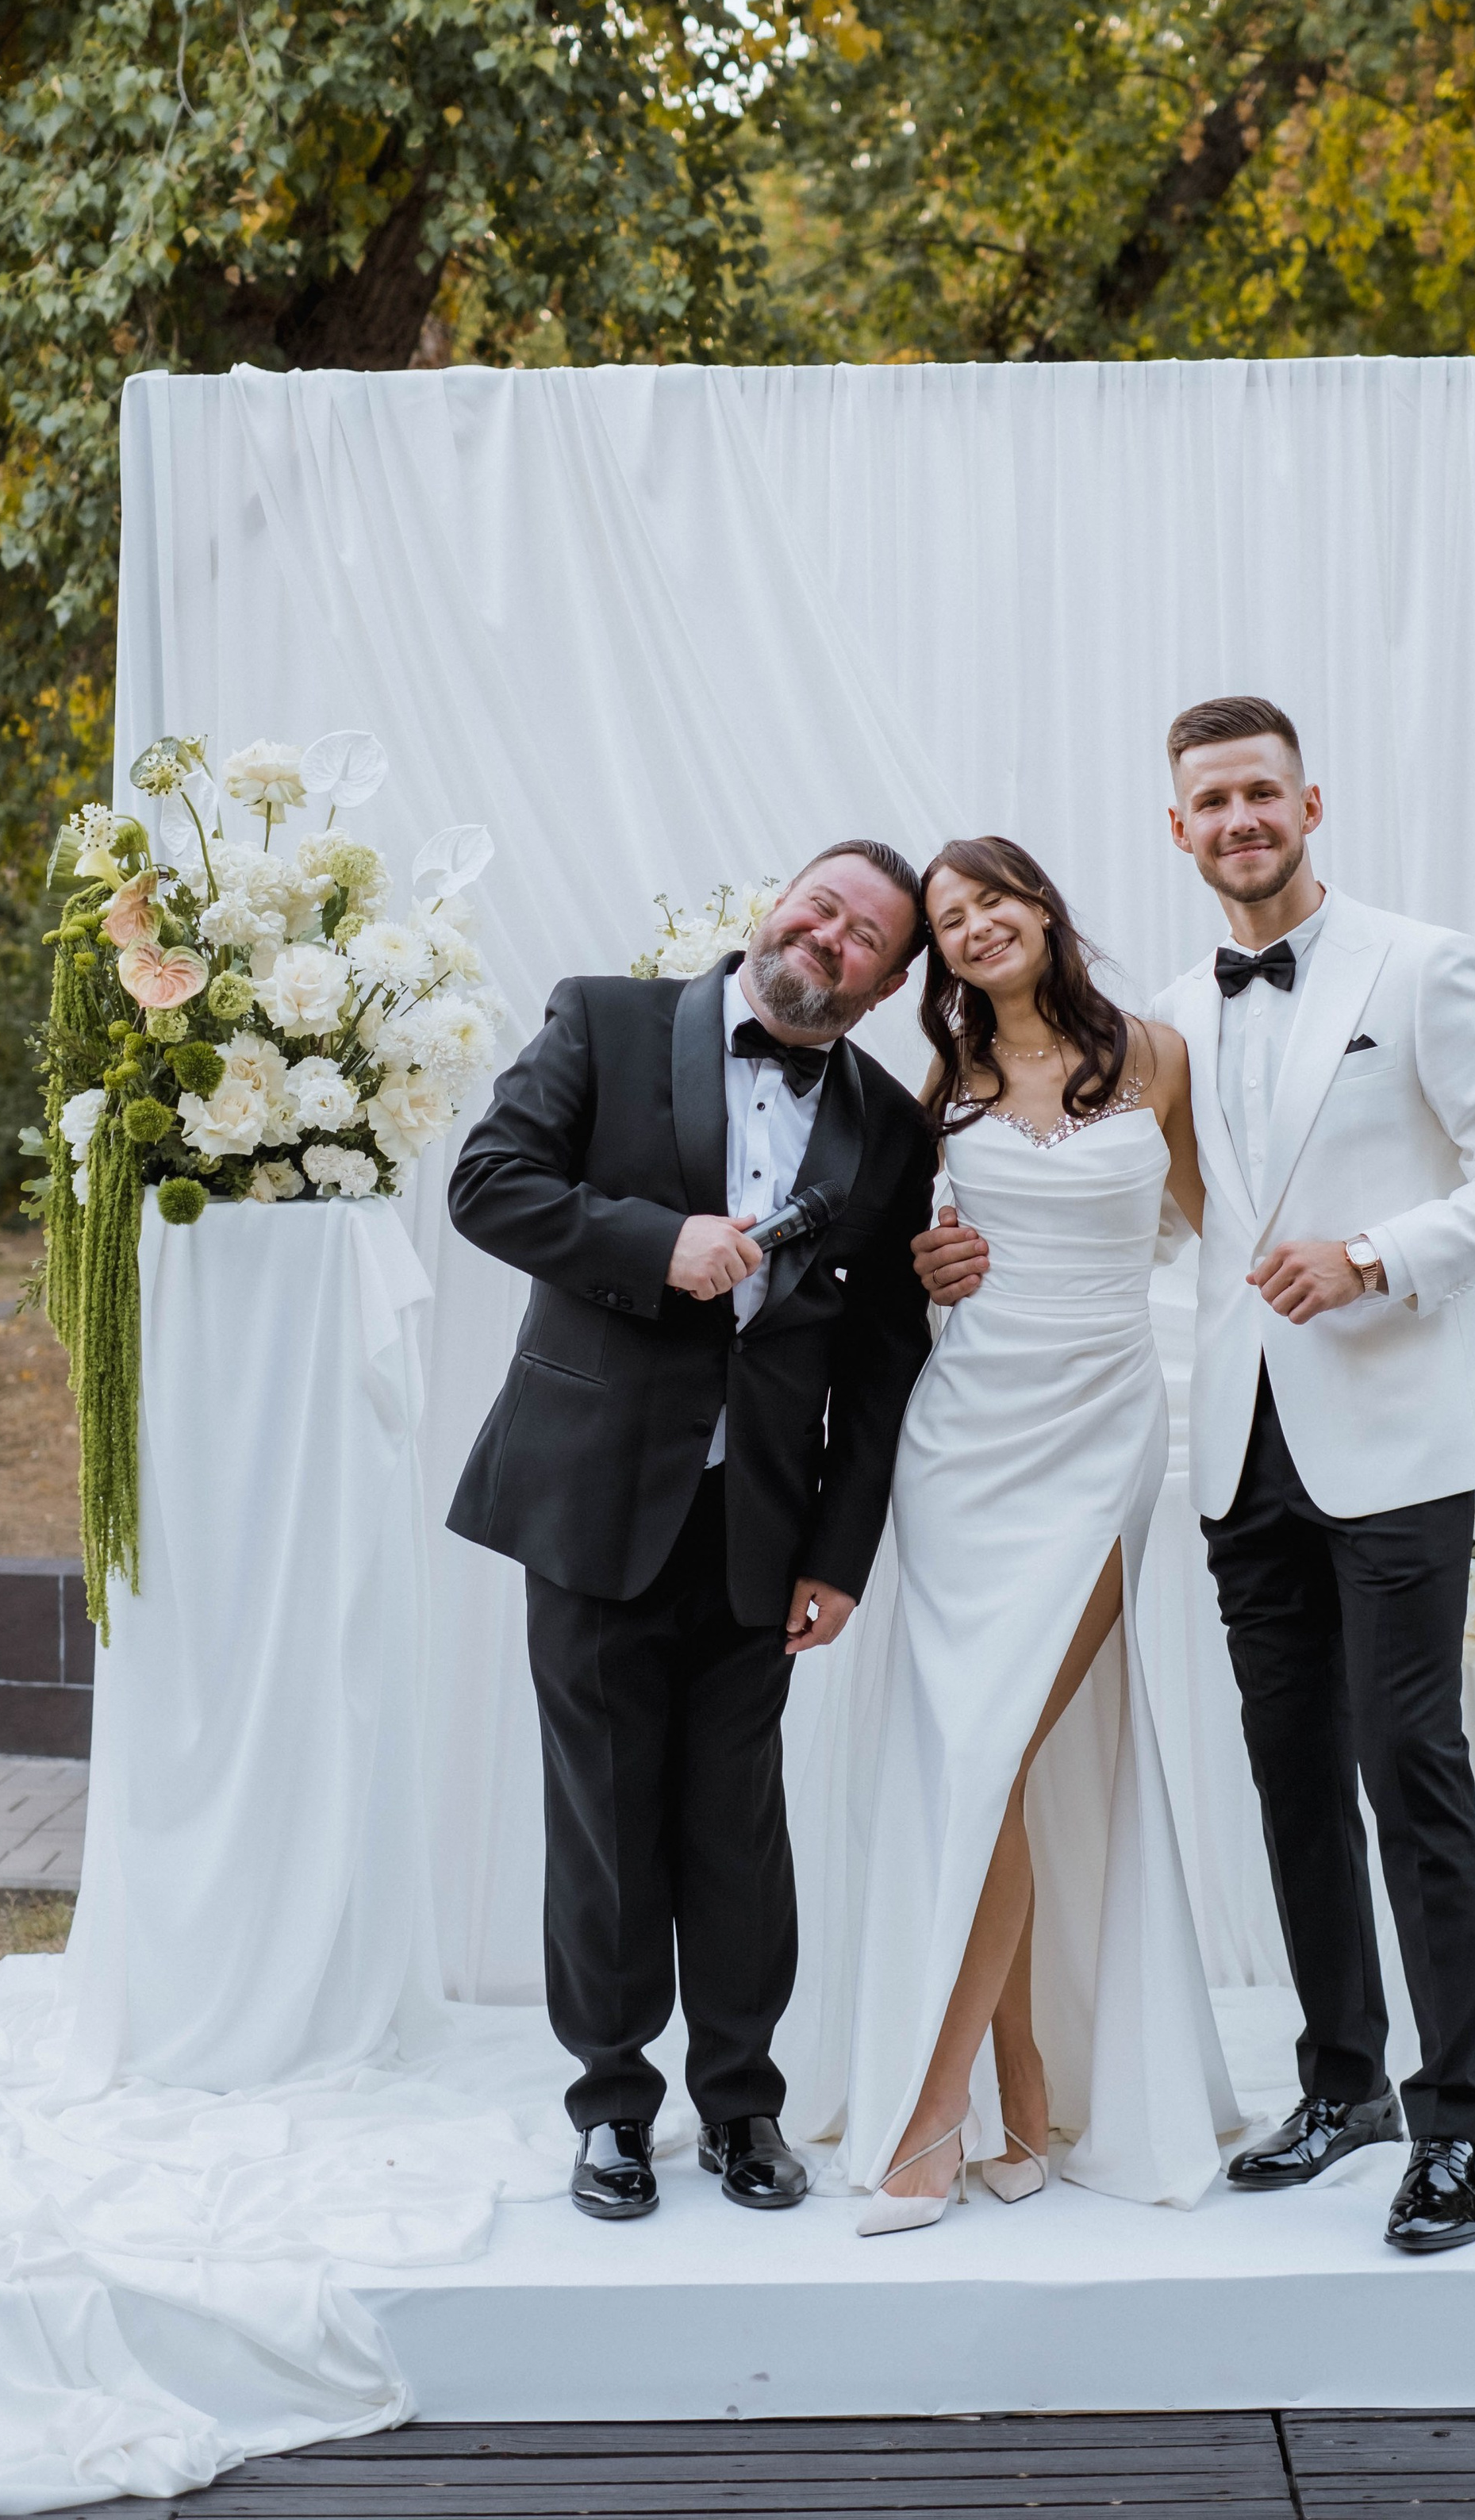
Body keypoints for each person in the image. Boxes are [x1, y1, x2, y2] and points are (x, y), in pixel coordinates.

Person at [914, 704, 1475, 2254]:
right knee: (1284, 1779)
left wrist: (1374, 1257)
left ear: (1307, 803)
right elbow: (1155, 1219)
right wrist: (963, 1255)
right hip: (1229, 1444)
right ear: (1175, 831)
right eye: (1206, 799)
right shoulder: (1157, 1018)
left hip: (1394, 1431)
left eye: (1257, 791)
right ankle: (1336, 2078)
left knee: (1407, 1766)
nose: (1235, 817)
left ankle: (1453, 2118)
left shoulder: (1419, 967)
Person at [446, 844, 935, 2223]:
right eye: (819, 905)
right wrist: (658, 1241)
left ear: (890, 984)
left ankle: (742, 2104)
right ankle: (610, 2108)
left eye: (864, 939)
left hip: (761, 1531)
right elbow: (488, 1183)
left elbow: (881, 1362)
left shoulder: (893, 1130)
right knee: (603, 1813)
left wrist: (840, 1556)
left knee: (738, 1827)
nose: (827, 937)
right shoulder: (602, 1018)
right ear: (776, 904)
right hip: (592, 1499)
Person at [820, 836, 1238, 2235]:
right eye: (950, 920)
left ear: (1045, 908)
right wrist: (930, 1262)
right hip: (962, 1449)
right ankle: (1010, 2087)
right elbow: (898, 1262)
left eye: (995, 898)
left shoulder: (1164, 1059)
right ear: (939, 959)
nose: (979, 925)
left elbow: (1218, 1234)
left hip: (1102, 1439)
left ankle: (936, 2122)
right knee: (971, 1765)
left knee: (996, 1754)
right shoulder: (944, 1092)